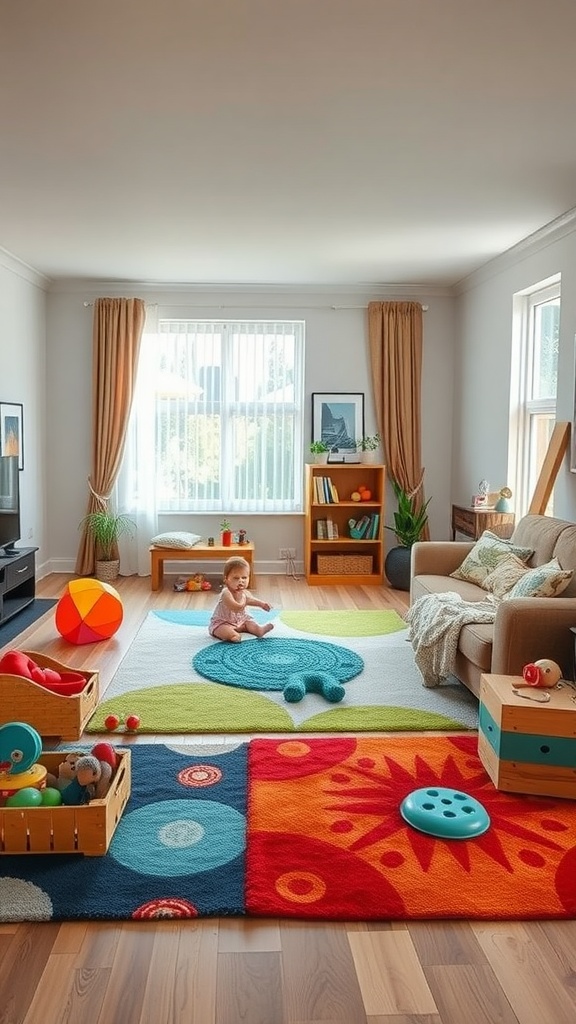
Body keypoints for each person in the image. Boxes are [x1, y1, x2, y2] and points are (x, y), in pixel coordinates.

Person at [209, 556, 274, 642]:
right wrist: (244, 601)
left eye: (244, 578)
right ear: (226, 579)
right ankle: (233, 635)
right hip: (223, 622)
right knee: (222, 629)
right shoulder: (226, 593)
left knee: (250, 623)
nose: (241, 581)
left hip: (241, 621)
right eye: (236, 578)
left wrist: (262, 604)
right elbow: (235, 608)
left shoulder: (244, 592)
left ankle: (259, 630)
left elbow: (251, 600)